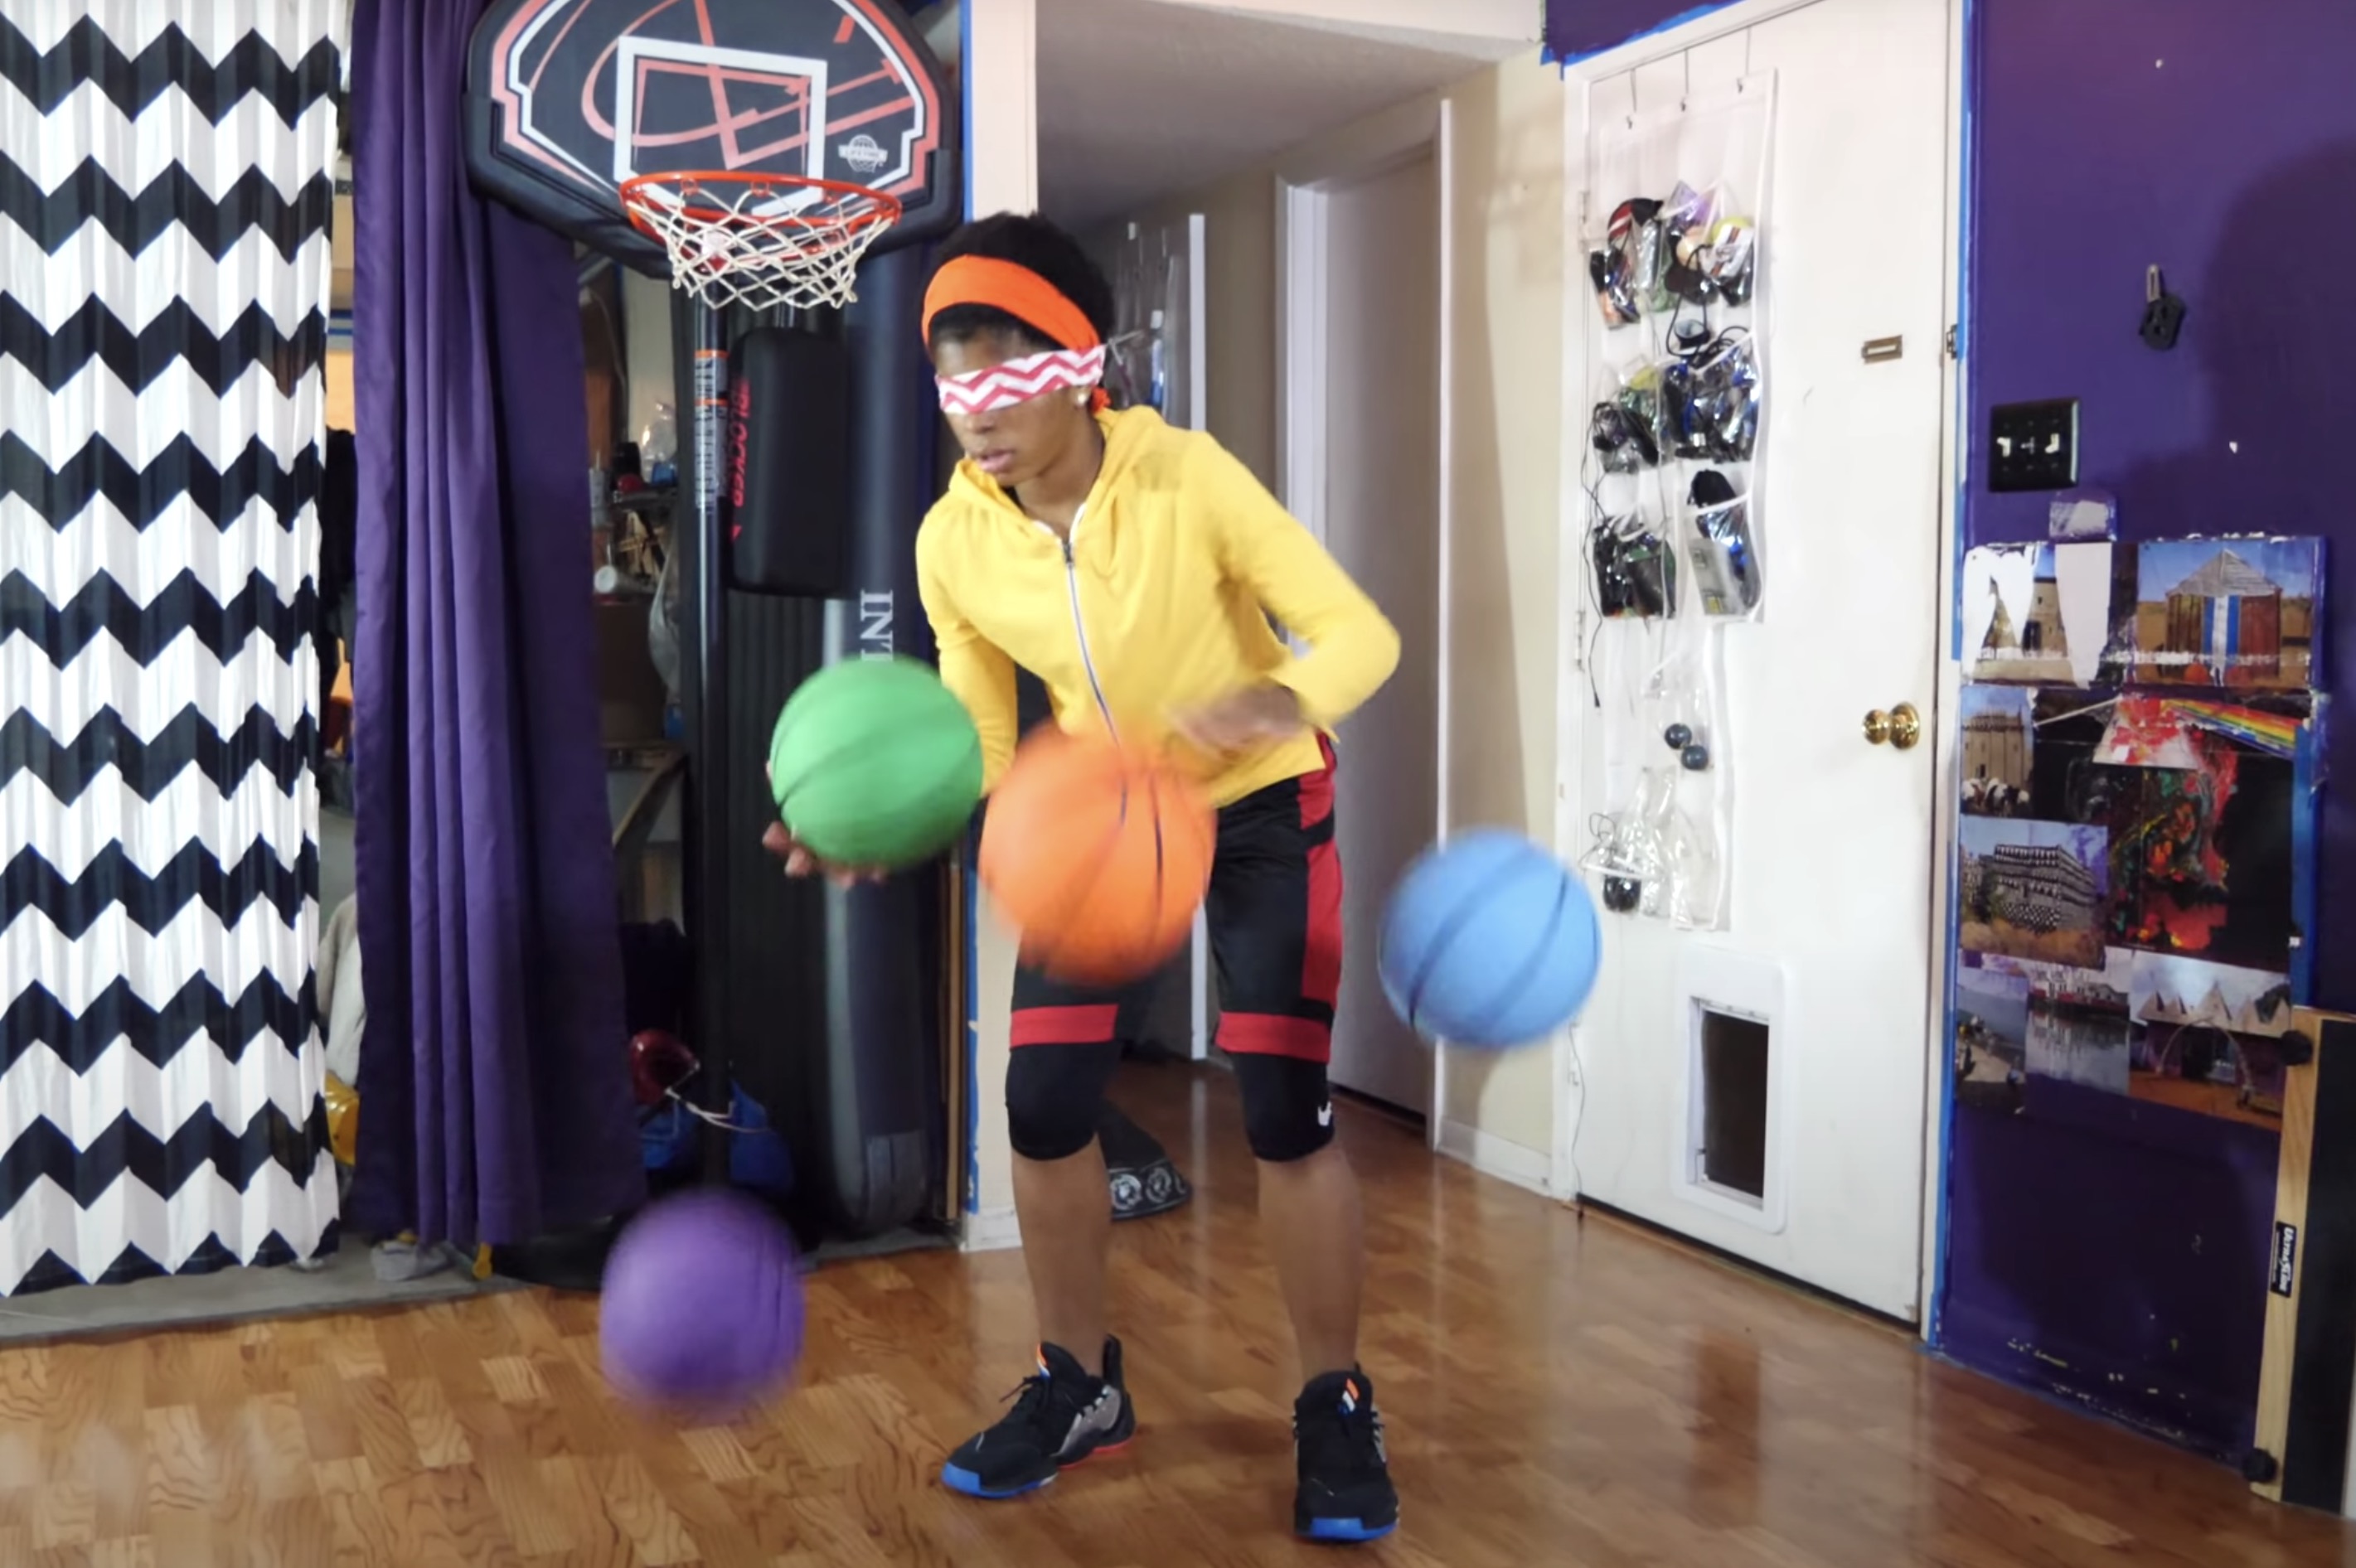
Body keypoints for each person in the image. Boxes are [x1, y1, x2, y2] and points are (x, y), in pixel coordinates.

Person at [765, 212, 1402, 1543]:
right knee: (1042, 1106)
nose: (976, 414)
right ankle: (1077, 1385)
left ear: (1079, 365)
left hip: (1260, 807)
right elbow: (981, 741)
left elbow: (1359, 634)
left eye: (1005, 377)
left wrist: (1280, 700)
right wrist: (883, 819)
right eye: (952, 385)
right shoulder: (952, 541)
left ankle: (1334, 1399)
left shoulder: (1187, 478)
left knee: (1284, 1116)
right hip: (1099, 825)